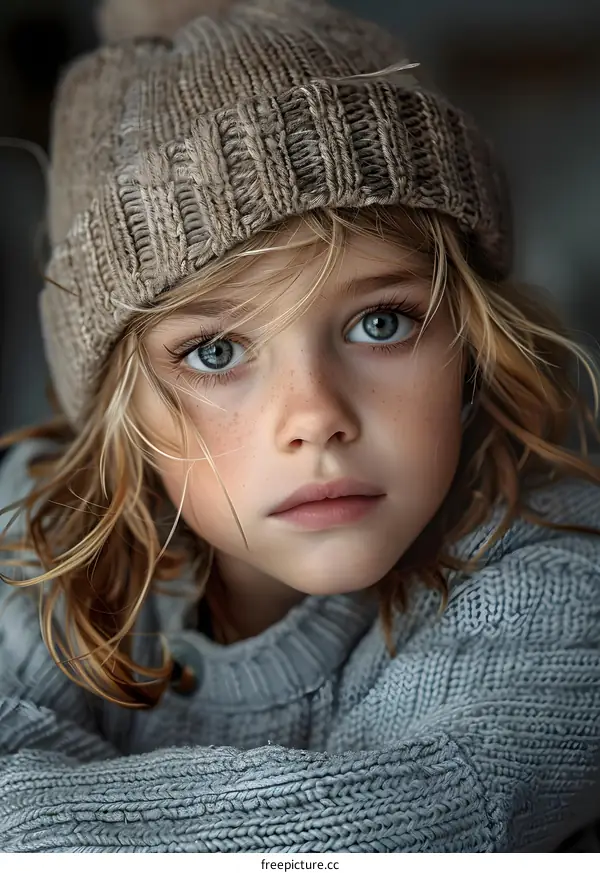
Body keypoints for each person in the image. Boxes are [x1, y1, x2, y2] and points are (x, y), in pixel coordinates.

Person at [1, 0, 599, 853]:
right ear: (119, 411)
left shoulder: (556, 586)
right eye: (214, 352)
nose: (316, 415)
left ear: (470, 341)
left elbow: (411, 822)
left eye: (381, 324)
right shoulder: (40, 545)